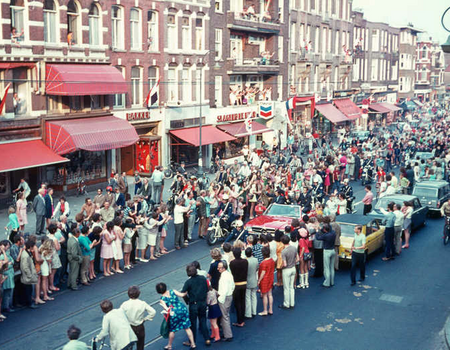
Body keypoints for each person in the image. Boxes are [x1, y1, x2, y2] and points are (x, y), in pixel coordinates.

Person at [156, 282, 196, 350]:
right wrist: (187, 290)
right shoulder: (173, 291)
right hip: (182, 310)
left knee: (172, 330)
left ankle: (169, 346)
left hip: (174, 313)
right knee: (187, 327)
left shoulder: (162, 299)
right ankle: (193, 344)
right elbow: (182, 295)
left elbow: (166, 309)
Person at [178, 264, 210, 347]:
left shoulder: (188, 282)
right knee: (203, 320)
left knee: (193, 323)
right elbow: (207, 289)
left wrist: (188, 301)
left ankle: (192, 341)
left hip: (194, 304)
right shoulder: (203, 278)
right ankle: (207, 338)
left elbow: (183, 293)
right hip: (202, 303)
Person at [120, 286, 156, 350]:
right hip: (140, 327)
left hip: (130, 327)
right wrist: (145, 318)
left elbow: (120, 315)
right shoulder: (142, 303)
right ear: (138, 294)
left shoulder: (124, 304)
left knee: (129, 344)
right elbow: (153, 312)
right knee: (140, 344)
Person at [230, 247, 248, 327]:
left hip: (236, 284)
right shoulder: (245, 261)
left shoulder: (232, 263)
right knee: (243, 301)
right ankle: (242, 318)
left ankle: (240, 320)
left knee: (237, 303)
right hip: (244, 283)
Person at [279, 235, 298, 309]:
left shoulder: (284, 251)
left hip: (286, 270)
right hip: (293, 268)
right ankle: (292, 303)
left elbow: (285, 264)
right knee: (291, 287)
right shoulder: (294, 248)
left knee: (286, 288)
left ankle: (287, 304)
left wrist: (281, 267)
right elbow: (298, 259)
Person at [217, 260, 234, 342]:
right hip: (229, 296)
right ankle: (227, 333)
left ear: (223, 268)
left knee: (224, 317)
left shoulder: (223, 277)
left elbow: (223, 291)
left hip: (225, 298)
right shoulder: (228, 274)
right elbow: (232, 286)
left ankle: (228, 335)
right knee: (226, 315)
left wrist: (220, 299)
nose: (218, 269)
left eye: (219, 268)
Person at [316, 223, 336, 288]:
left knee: (326, 267)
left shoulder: (326, 236)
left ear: (325, 230)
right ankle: (332, 281)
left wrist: (317, 231)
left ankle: (327, 283)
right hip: (333, 250)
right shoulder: (333, 233)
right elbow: (328, 228)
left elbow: (318, 238)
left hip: (327, 251)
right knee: (331, 267)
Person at [20, 240, 38, 309]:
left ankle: (29, 302)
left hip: (28, 276)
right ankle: (29, 303)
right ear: (30, 247)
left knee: (29, 289)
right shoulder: (25, 255)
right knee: (28, 290)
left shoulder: (27, 253)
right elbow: (25, 267)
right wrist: (30, 275)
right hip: (27, 276)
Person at [257, 246, 274, 316]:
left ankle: (265, 310)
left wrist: (259, 280)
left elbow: (263, 273)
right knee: (270, 294)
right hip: (270, 278)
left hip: (265, 280)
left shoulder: (263, 263)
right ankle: (270, 309)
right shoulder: (272, 260)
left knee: (264, 296)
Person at [244, 247, 258, 319]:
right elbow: (256, 269)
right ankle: (254, 311)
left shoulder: (245, 261)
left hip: (248, 281)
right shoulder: (255, 260)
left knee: (247, 297)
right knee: (254, 296)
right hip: (254, 280)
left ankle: (248, 313)